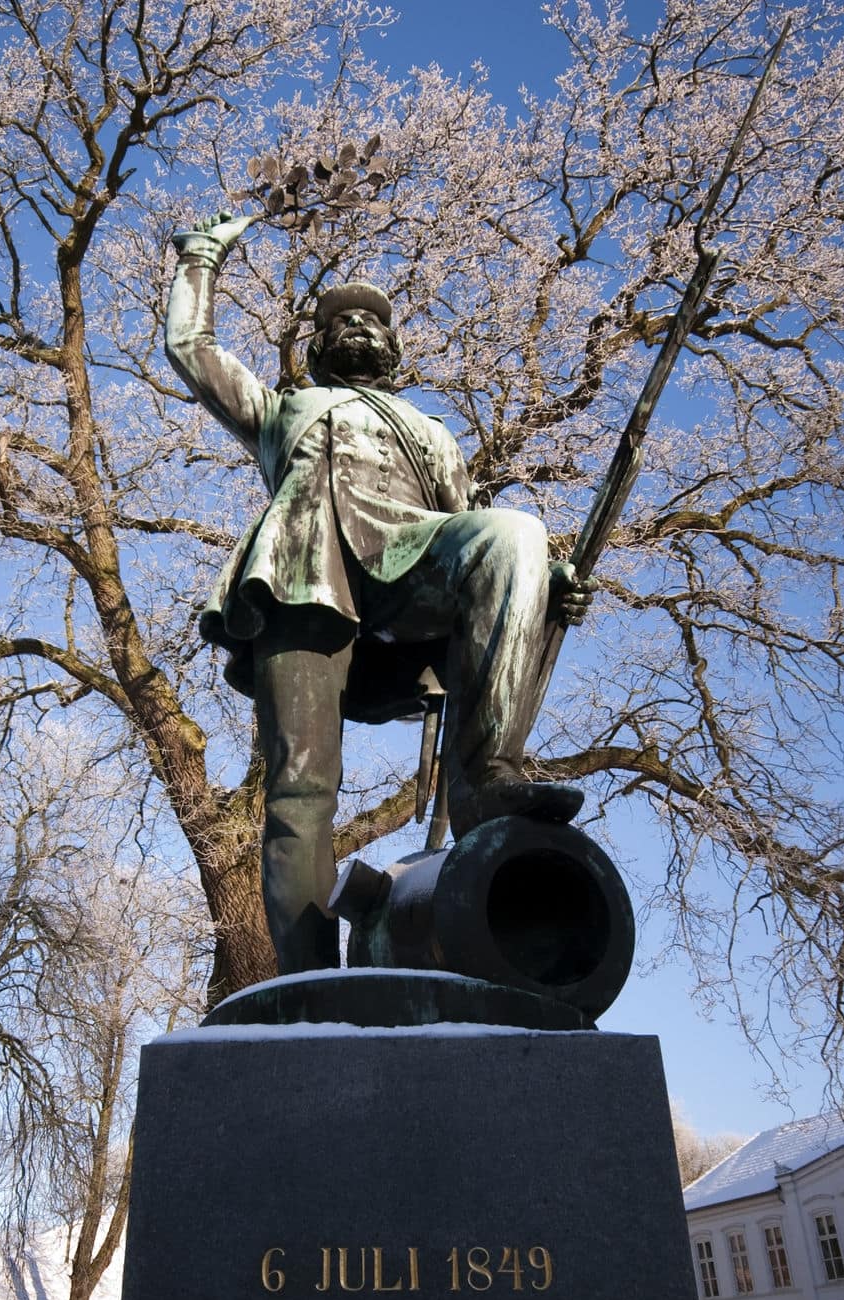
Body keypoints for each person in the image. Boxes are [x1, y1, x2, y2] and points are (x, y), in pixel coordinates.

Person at [166, 212, 591, 975]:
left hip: (410, 560)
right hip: (306, 578)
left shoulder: (433, 432)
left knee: (517, 533)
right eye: (341, 322)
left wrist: (541, 581)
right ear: (320, 348)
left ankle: (489, 776)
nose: (358, 327)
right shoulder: (285, 409)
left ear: (392, 348)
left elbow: (469, 532)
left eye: (371, 321)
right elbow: (189, 349)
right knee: (301, 784)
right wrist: (200, 258)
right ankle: (304, 983)